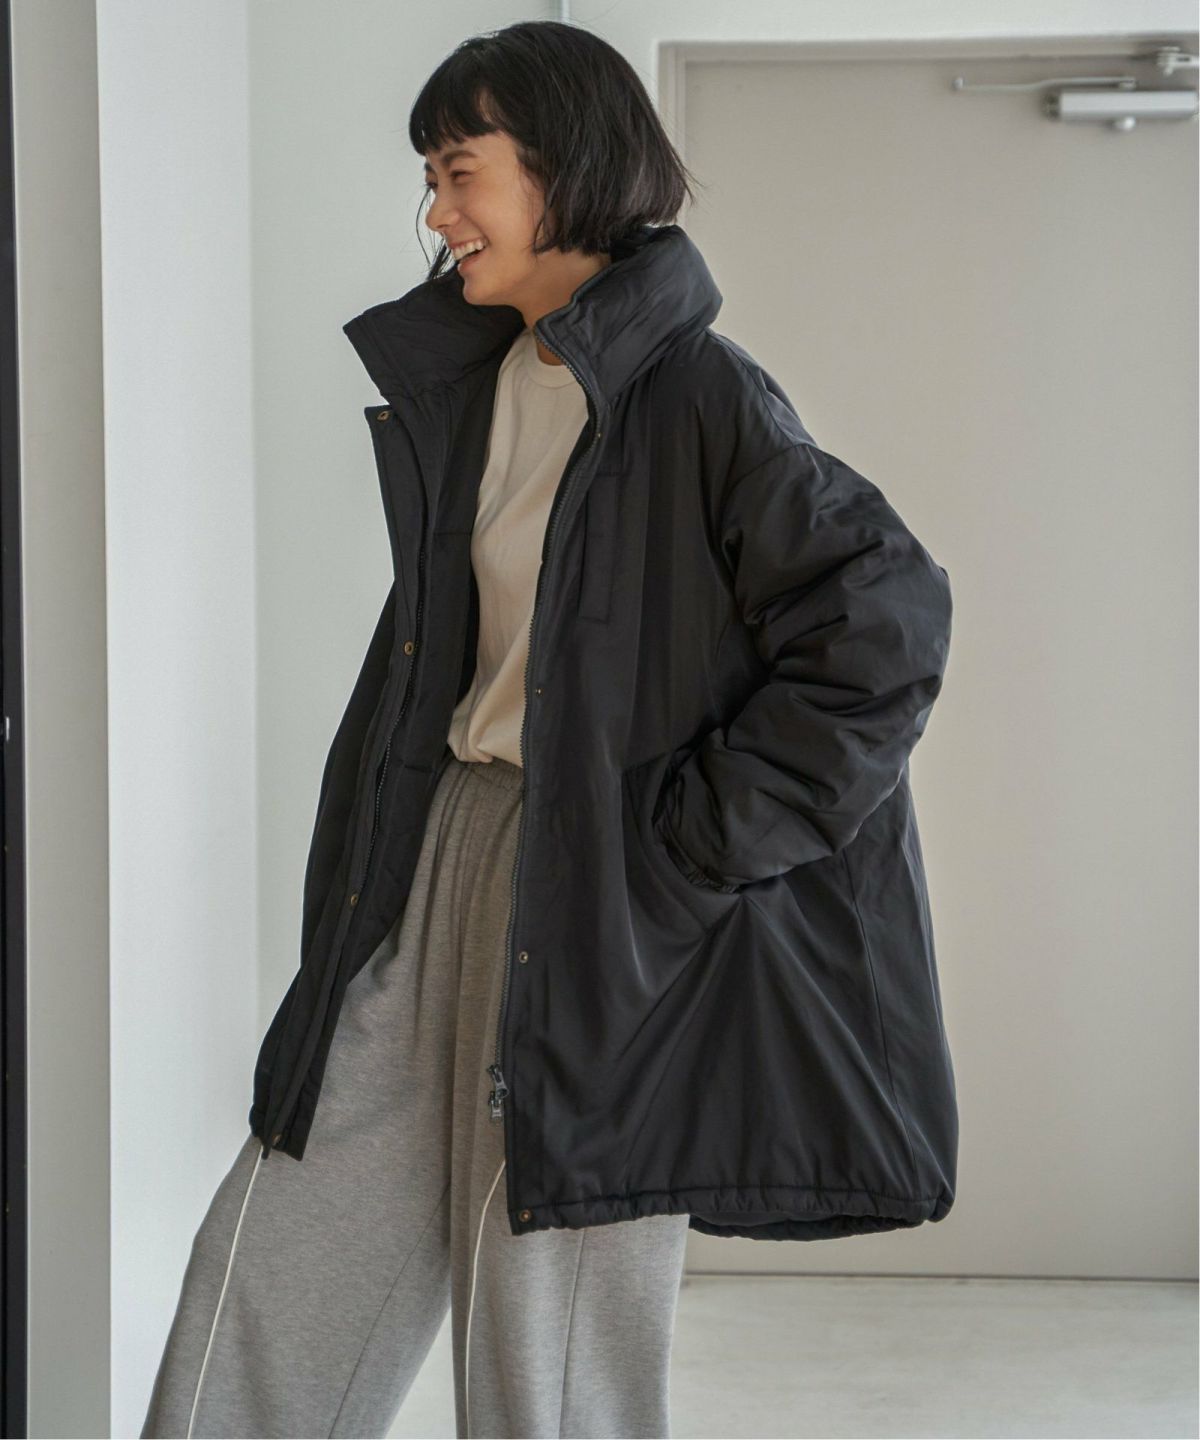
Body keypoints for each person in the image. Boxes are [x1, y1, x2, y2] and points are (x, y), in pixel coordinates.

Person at [142, 19, 957, 1440]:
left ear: (564, 167)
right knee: (283, 1251)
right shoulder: (482, 380)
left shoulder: (700, 394)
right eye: (430, 178)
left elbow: (883, 623)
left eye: (459, 171)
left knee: (549, 1332)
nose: (434, 212)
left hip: (604, 885)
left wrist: (693, 845)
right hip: (440, 842)